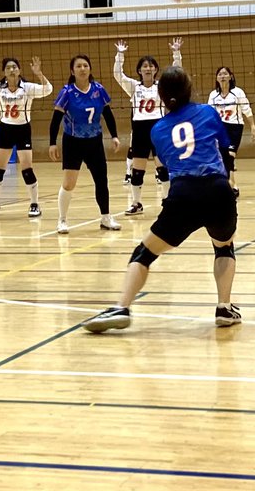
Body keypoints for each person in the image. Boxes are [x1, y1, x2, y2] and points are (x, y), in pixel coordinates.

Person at [83, 67, 240, 333]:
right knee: (224, 246)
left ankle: (122, 307)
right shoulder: (208, 112)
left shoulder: (157, 130)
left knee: (144, 253)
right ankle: (224, 307)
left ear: (162, 96)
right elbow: (225, 148)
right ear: (189, 89)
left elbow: (167, 163)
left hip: (183, 195)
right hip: (218, 190)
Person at [48, 54, 121, 235]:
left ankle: (105, 217)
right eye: (78, 66)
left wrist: (114, 136)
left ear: (90, 69)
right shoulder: (67, 92)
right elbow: (55, 120)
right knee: (69, 183)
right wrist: (52, 143)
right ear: (72, 71)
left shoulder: (99, 90)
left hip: (94, 141)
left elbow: (108, 114)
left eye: (85, 65)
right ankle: (62, 219)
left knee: (101, 180)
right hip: (73, 142)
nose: (82, 69)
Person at [0, 54, 52, 219]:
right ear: (4, 71)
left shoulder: (28, 88)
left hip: (23, 129)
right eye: (8, 67)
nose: (11, 70)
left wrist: (39, 73)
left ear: (19, 70)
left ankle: (35, 204)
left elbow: (48, 89)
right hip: (6, 129)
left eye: (14, 67)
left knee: (27, 169)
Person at [112, 38, 182, 216]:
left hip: (159, 128)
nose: (148, 68)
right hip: (140, 130)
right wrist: (120, 55)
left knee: (162, 169)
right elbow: (118, 75)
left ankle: (168, 201)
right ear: (139, 70)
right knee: (137, 171)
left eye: (151, 66)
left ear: (156, 70)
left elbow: (177, 73)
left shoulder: (162, 86)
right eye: (144, 66)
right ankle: (136, 204)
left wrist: (176, 53)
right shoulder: (134, 87)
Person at [208, 66, 255, 195]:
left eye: (225, 74)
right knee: (223, 157)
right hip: (219, 128)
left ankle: (231, 185)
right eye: (220, 74)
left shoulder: (238, 93)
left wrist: (252, 126)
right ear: (216, 78)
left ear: (230, 76)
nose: (222, 76)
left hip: (235, 127)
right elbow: (210, 114)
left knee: (229, 156)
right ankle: (230, 184)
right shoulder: (213, 95)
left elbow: (246, 109)